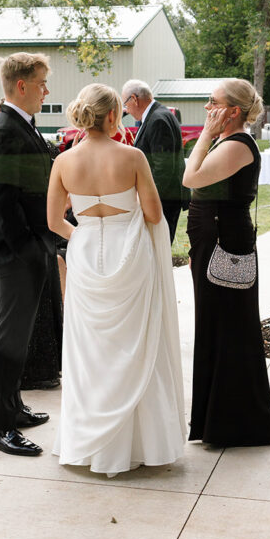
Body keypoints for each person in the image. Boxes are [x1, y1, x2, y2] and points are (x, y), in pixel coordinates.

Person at [47, 83, 186, 477]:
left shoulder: (63, 162)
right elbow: (155, 215)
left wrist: (83, 237)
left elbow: (54, 221)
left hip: (86, 254)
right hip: (131, 255)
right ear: (112, 116)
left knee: (90, 349)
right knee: (137, 344)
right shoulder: (133, 156)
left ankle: (89, 440)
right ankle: (141, 443)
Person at [182, 78, 270, 448]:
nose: (207, 108)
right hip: (212, 239)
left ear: (233, 111)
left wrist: (205, 134)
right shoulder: (227, 142)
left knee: (228, 326)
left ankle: (235, 424)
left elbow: (191, 177)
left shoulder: (238, 144)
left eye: (213, 102)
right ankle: (213, 421)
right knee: (215, 325)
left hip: (225, 243)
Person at [0, 52, 60, 457]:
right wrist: (29, 249)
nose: (47, 91)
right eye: (43, 83)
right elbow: (2, 200)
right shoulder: (4, 130)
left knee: (21, 337)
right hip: (15, 255)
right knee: (8, 341)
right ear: (22, 85)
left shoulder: (22, 126)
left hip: (31, 248)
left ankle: (13, 406)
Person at [0, 141, 62, 392]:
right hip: (2, 234)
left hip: (39, 234)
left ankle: (39, 369)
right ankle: (1, 373)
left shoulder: (48, 149)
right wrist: (0, 198)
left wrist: (49, 208)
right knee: (2, 307)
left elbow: (63, 191)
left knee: (40, 303)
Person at [121, 79, 189, 243]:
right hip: (165, 198)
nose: (126, 111)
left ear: (134, 99)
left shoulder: (158, 120)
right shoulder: (159, 114)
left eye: (126, 104)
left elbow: (163, 169)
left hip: (164, 200)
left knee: (158, 250)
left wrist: (146, 202)